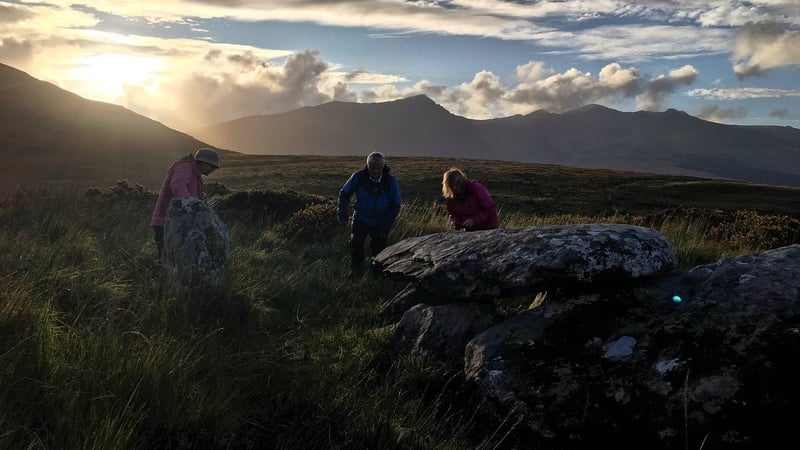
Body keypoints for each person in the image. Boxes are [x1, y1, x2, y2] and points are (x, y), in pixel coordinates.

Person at [337, 152, 402, 278]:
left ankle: (378, 275)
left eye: (378, 168)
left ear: (383, 167)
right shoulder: (358, 177)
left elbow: (395, 205)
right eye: (372, 167)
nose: (375, 171)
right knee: (356, 244)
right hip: (361, 218)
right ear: (367, 166)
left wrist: (386, 224)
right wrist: (342, 212)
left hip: (381, 220)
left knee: (379, 248)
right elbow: (344, 193)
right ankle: (356, 272)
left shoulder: (390, 182)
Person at [151, 148, 220, 260]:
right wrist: (191, 202)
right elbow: (177, 185)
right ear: (203, 162)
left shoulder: (193, 173)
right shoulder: (185, 167)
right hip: (166, 222)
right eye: (212, 166)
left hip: (176, 223)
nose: (213, 170)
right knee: (168, 260)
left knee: (174, 260)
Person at [441, 167, 500, 231]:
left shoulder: (476, 188)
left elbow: (490, 210)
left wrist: (474, 221)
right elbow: (453, 214)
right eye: (451, 185)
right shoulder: (451, 197)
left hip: (488, 227)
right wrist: (455, 222)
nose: (454, 188)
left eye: (457, 184)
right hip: (470, 230)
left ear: (462, 181)